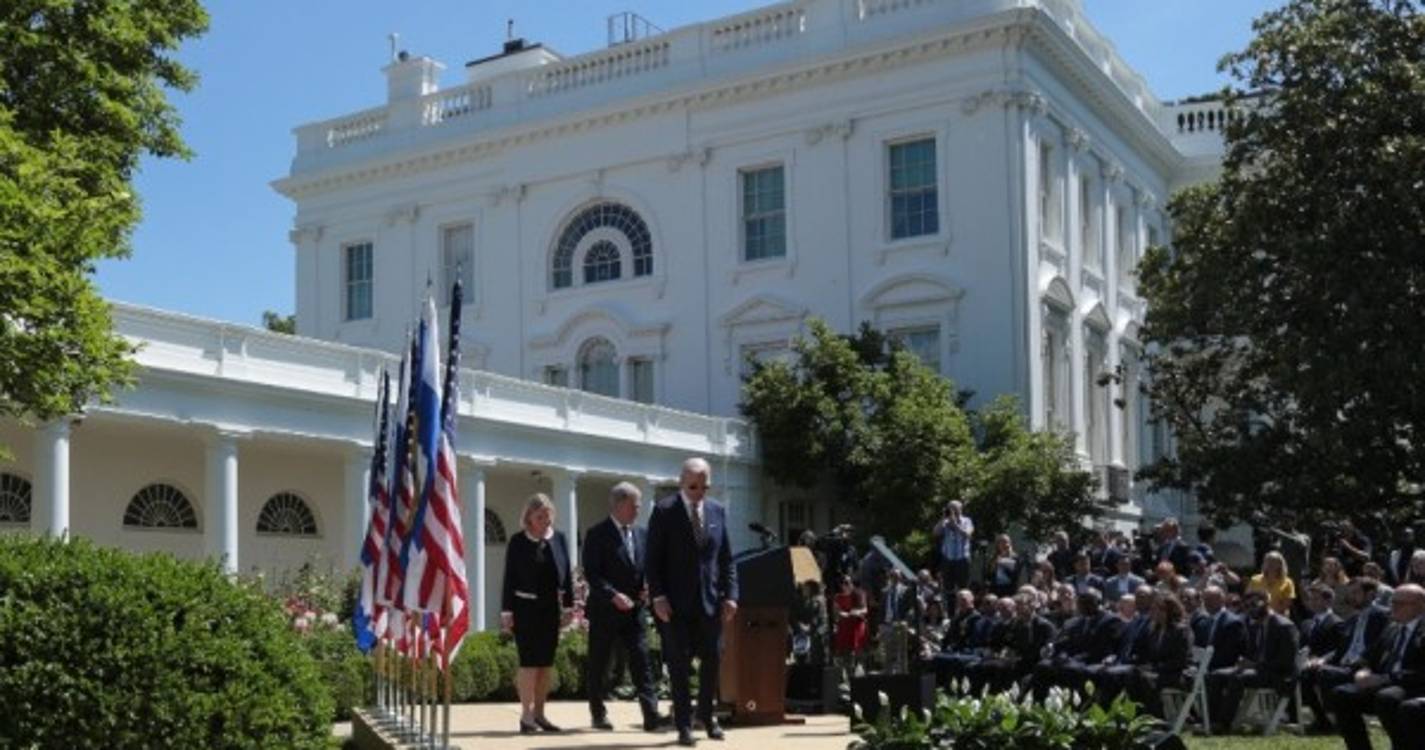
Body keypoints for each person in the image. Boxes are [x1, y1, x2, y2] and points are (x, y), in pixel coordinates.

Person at [646, 457, 739, 747]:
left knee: (712, 660)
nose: (701, 492)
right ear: (682, 482)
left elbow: (726, 559)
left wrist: (732, 595)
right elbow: (652, 561)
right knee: (679, 666)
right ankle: (684, 725)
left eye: (705, 486)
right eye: (695, 486)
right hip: (675, 606)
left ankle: (707, 716)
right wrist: (658, 596)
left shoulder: (717, 511)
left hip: (710, 603)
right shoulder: (664, 512)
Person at [582, 481, 662, 732]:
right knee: (600, 665)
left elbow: (648, 567)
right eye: (634, 506)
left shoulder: (642, 534)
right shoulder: (597, 534)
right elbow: (592, 574)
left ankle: (651, 715)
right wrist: (613, 595)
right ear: (618, 505)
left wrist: (649, 586)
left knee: (642, 662)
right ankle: (598, 714)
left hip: (634, 613)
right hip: (605, 612)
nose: (638, 511)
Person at [500, 493, 575, 734]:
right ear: (529, 517)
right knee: (529, 664)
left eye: (548, 515)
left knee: (546, 664)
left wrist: (569, 607)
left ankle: (541, 714)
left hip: (550, 610)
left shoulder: (559, 538)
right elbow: (509, 578)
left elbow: (568, 576)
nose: (545, 519)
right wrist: (506, 611)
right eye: (540, 515)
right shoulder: (517, 541)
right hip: (525, 609)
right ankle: (526, 716)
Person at [1327, 583, 1425, 750]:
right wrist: (1362, 671)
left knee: (1387, 698)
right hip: (1385, 682)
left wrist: (1384, 678)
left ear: (1420, 606)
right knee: (1342, 694)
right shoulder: (1393, 628)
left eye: (1399, 603)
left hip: (1412, 685)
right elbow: (1368, 657)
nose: (1392, 607)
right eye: (1392, 602)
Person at [1301, 577, 1391, 734]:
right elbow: (1340, 649)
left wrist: (1364, 663)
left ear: (1370, 594)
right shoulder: (1353, 618)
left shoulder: (1382, 616)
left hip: (1364, 668)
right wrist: (1323, 659)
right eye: (1350, 593)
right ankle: (1323, 721)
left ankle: (1338, 721)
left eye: (1356, 592)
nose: (1351, 597)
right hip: (1344, 664)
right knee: (1306, 674)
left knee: (1325, 673)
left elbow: (1382, 645)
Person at [1205, 590, 1299, 733]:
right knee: (1217, 674)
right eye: (1247, 606)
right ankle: (1210, 720)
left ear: (1266, 603)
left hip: (1279, 675)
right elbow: (1253, 654)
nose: (1250, 609)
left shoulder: (1283, 626)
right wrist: (1244, 662)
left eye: (1254, 605)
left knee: (1238, 678)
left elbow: (1286, 662)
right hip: (1259, 671)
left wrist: (1254, 665)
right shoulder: (1255, 626)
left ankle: (1224, 724)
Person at [832, 574, 869, 680]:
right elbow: (836, 612)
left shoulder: (859, 593)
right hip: (844, 627)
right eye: (844, 583)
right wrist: (841, 614)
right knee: (842, 653)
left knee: (856, 652)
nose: (846, 585)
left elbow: (865, 610)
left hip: (856, 627)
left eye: (848, 582)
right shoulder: (838, 597)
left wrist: (856, 612)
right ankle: (845, 677)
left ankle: (857, 674)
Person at [932, 500, 974, 593]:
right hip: (947, 559)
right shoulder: (945, 522)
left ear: (960, 509)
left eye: (954, 508)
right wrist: (943, 519)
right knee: (948, 588)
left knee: (963, 587)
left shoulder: (967, 521)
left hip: (962, 559)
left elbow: (968, 535)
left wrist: (955, 525)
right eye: (950, 508)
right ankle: (949, 606)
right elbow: (935, 533)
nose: (952, 510)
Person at [1247, 550, 1296, 616]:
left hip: (1279, 617)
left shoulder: (1288, 582)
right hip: (1257, 615)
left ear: (1280, 564)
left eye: (1273, 561)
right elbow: (1248, 598)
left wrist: (1270, 613)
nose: (1270, 564)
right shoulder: (1255, 579)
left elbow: (1287, 604)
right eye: (1267, 561)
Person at [985, 533, 1023, 597]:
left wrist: (1004, 563)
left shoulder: (1016, 558)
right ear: (998, 545)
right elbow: (989, 575)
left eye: (1006, 542)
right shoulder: (994, 558)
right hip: (996, 589)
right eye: (1001, 542)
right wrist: (995, 563)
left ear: (1010, 543)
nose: (1004, 544)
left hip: (1010, 589)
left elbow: (1017, 574)